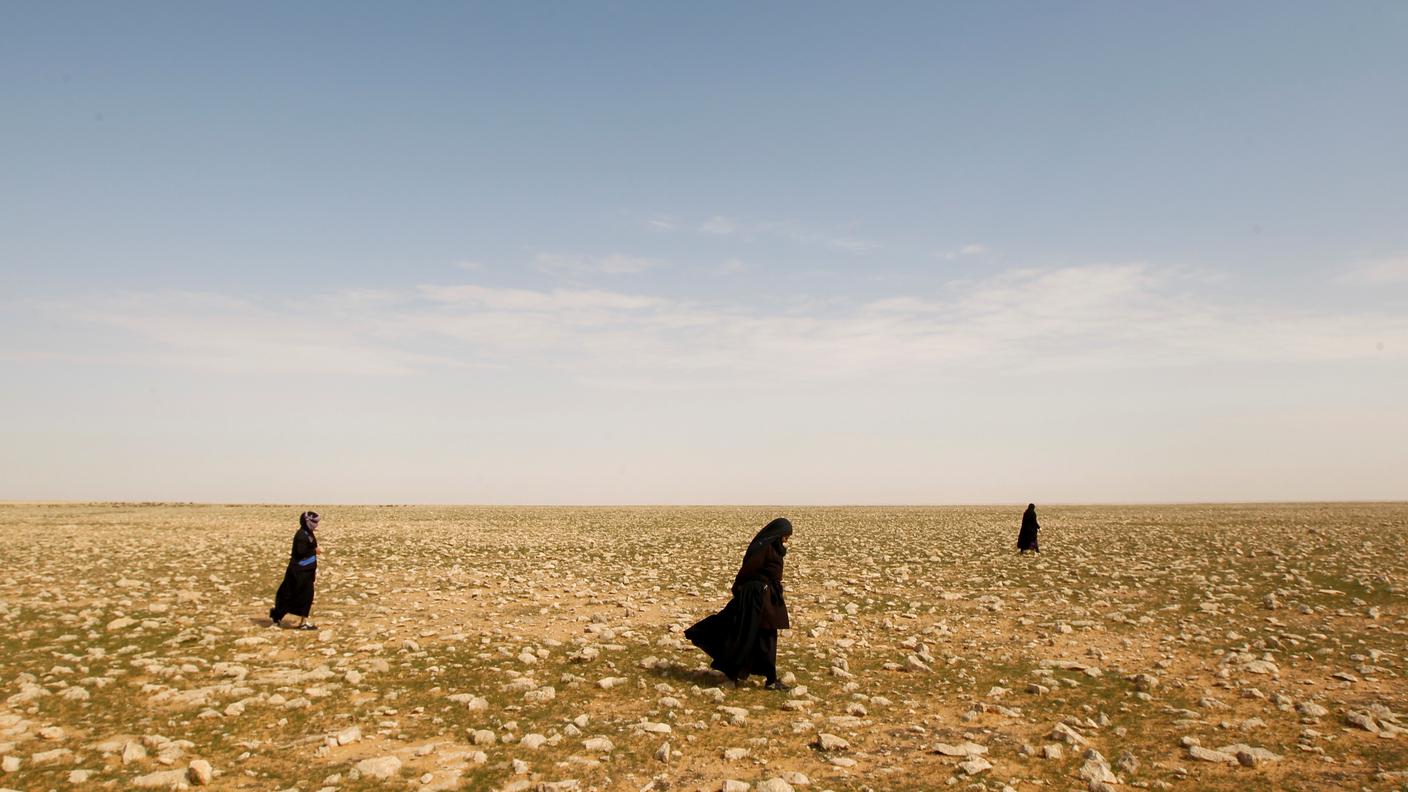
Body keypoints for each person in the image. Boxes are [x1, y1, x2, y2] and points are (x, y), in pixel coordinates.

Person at [685, 517, 792, 690]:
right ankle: (734, 675)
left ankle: (771, 679)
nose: (786, 541)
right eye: (785, 536)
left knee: (767, 638)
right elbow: (747, 571)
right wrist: (741, 591)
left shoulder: (774, 549)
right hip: (754, 599)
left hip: (766, 600)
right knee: (744, 635)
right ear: (777, 535)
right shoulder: (763, 549)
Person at [270, 511, 320, 629]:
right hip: (299, 572)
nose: (316, 524)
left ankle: (299, 620)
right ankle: (282, 617)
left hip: (306, 571)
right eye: (314, 522)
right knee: (293, 594)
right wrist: (314, 551)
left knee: (304, 596)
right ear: (307, 521)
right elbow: (300, 552)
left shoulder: (308, 533)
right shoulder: (301, 535)